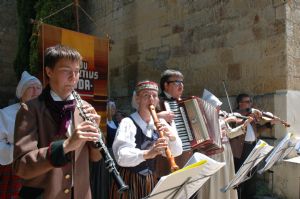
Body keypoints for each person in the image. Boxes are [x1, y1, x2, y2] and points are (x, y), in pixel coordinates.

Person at [13, 45, 102, 199]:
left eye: (77, 71)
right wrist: (65, 146)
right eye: (66, 70)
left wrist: (97, 139)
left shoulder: (86, 108)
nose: (73, 77)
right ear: (49, 71)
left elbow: (96, 157)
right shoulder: (30, 109)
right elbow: (22, 167)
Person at [110, 80, 182, 199]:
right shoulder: (128, 122)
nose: (151, 100)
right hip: (128, 180)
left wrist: (172, 138)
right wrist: (148, 153)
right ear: (137, 99)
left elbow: (177, 152)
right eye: (146, 96)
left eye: (154, 96)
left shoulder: (161, 123)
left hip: (150, 179)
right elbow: (121, 156)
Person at [197, 89, 254, 199]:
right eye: (217, 107)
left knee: (225, 179)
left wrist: (244, 125)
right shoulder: (203, 120)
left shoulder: (221, 117)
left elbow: (230, 134)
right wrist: (227, 121)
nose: (219, 109)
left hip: (226, 154)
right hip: (214, 155)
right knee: (215, 181)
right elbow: (209, 134)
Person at [0, 71, 42, 199]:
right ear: (21, 92)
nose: (35, 91)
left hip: (41, 167)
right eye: (30, 87)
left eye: (38, 88)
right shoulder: (5, 114)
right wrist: (19, 153)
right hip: (14, 169)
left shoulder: (46, 113)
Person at [230, 93, 279, 199]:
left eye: (250, 102)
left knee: (252, 177)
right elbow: (237, 128)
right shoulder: (234, 115)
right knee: (240, 178)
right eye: (247, 102)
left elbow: (256, 133)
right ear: (240, 103)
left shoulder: (251, 116)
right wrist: (249, 117)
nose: (250, 104)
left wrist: (269, 124)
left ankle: (250, 196)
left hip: (252, 147)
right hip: (241, 151)